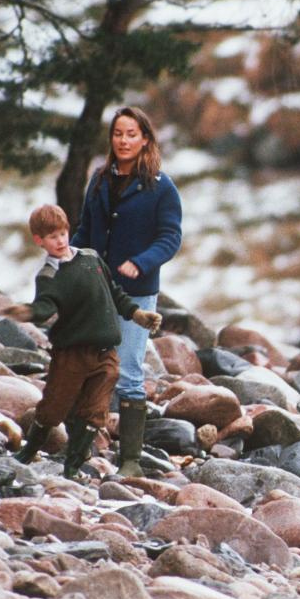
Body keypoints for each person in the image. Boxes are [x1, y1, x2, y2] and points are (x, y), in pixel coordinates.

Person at [3, 204, 162, 478]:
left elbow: (114, 293)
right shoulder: (49, 275)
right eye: (53, 237)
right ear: (39, 241)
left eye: (64, 233)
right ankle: (28, 451)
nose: (61, 240)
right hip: (72, 356)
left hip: (106, 354)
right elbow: (45, 305)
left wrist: (137, 315)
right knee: (53, 408)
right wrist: (28, 312)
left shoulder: (91, 258)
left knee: (95, 412)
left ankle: (72, 467)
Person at [71, 106, 182, 477]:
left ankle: (130, 461)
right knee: (87, 366)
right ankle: (78, 452)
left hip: (137, 293)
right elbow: (85, 230)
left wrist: (142, 261)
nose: (124, 140)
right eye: (118, 134)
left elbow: (170, 237)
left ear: (145, 139)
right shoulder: (99, 180)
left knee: (130, 371)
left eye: (131, 134)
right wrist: (67, 263)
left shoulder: (161, 187)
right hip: (96, 289)